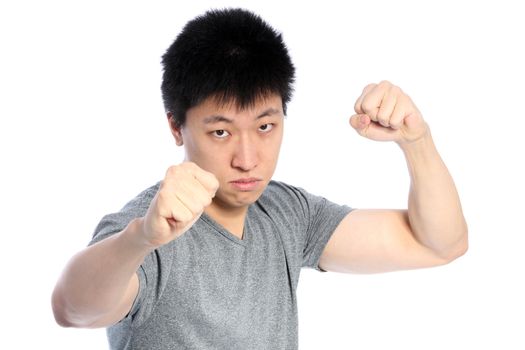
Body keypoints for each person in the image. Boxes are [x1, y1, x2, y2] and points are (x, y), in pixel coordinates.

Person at [51, 8, 468, 350]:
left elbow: (439, 243)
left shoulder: (286, 214)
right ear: (177, 127)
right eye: (221, 132)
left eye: (265, 127)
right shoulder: (151, 226)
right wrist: (140, 238)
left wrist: (417, 141)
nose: (248, 159)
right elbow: (73, 310)